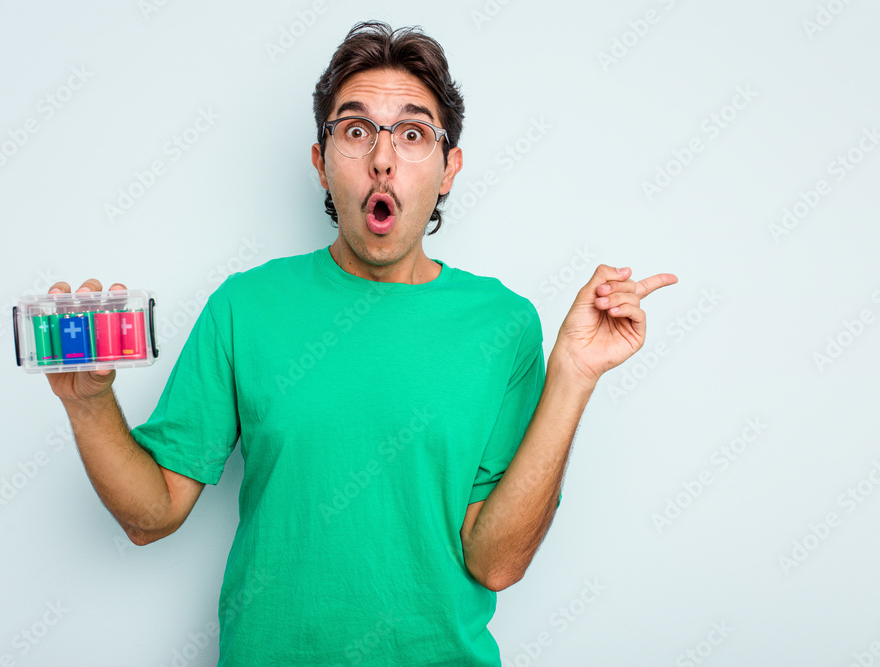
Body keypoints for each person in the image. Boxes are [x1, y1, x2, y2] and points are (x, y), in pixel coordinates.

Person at [46, 20, 676, 666]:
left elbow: (497, 561)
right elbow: (150, 515)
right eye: (355, 130)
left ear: (449, 167)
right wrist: (88, 402)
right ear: (321, 163)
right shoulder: (244, 306)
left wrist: (572, 371)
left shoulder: (503, 325)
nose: (382, 157)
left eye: (412, 133)